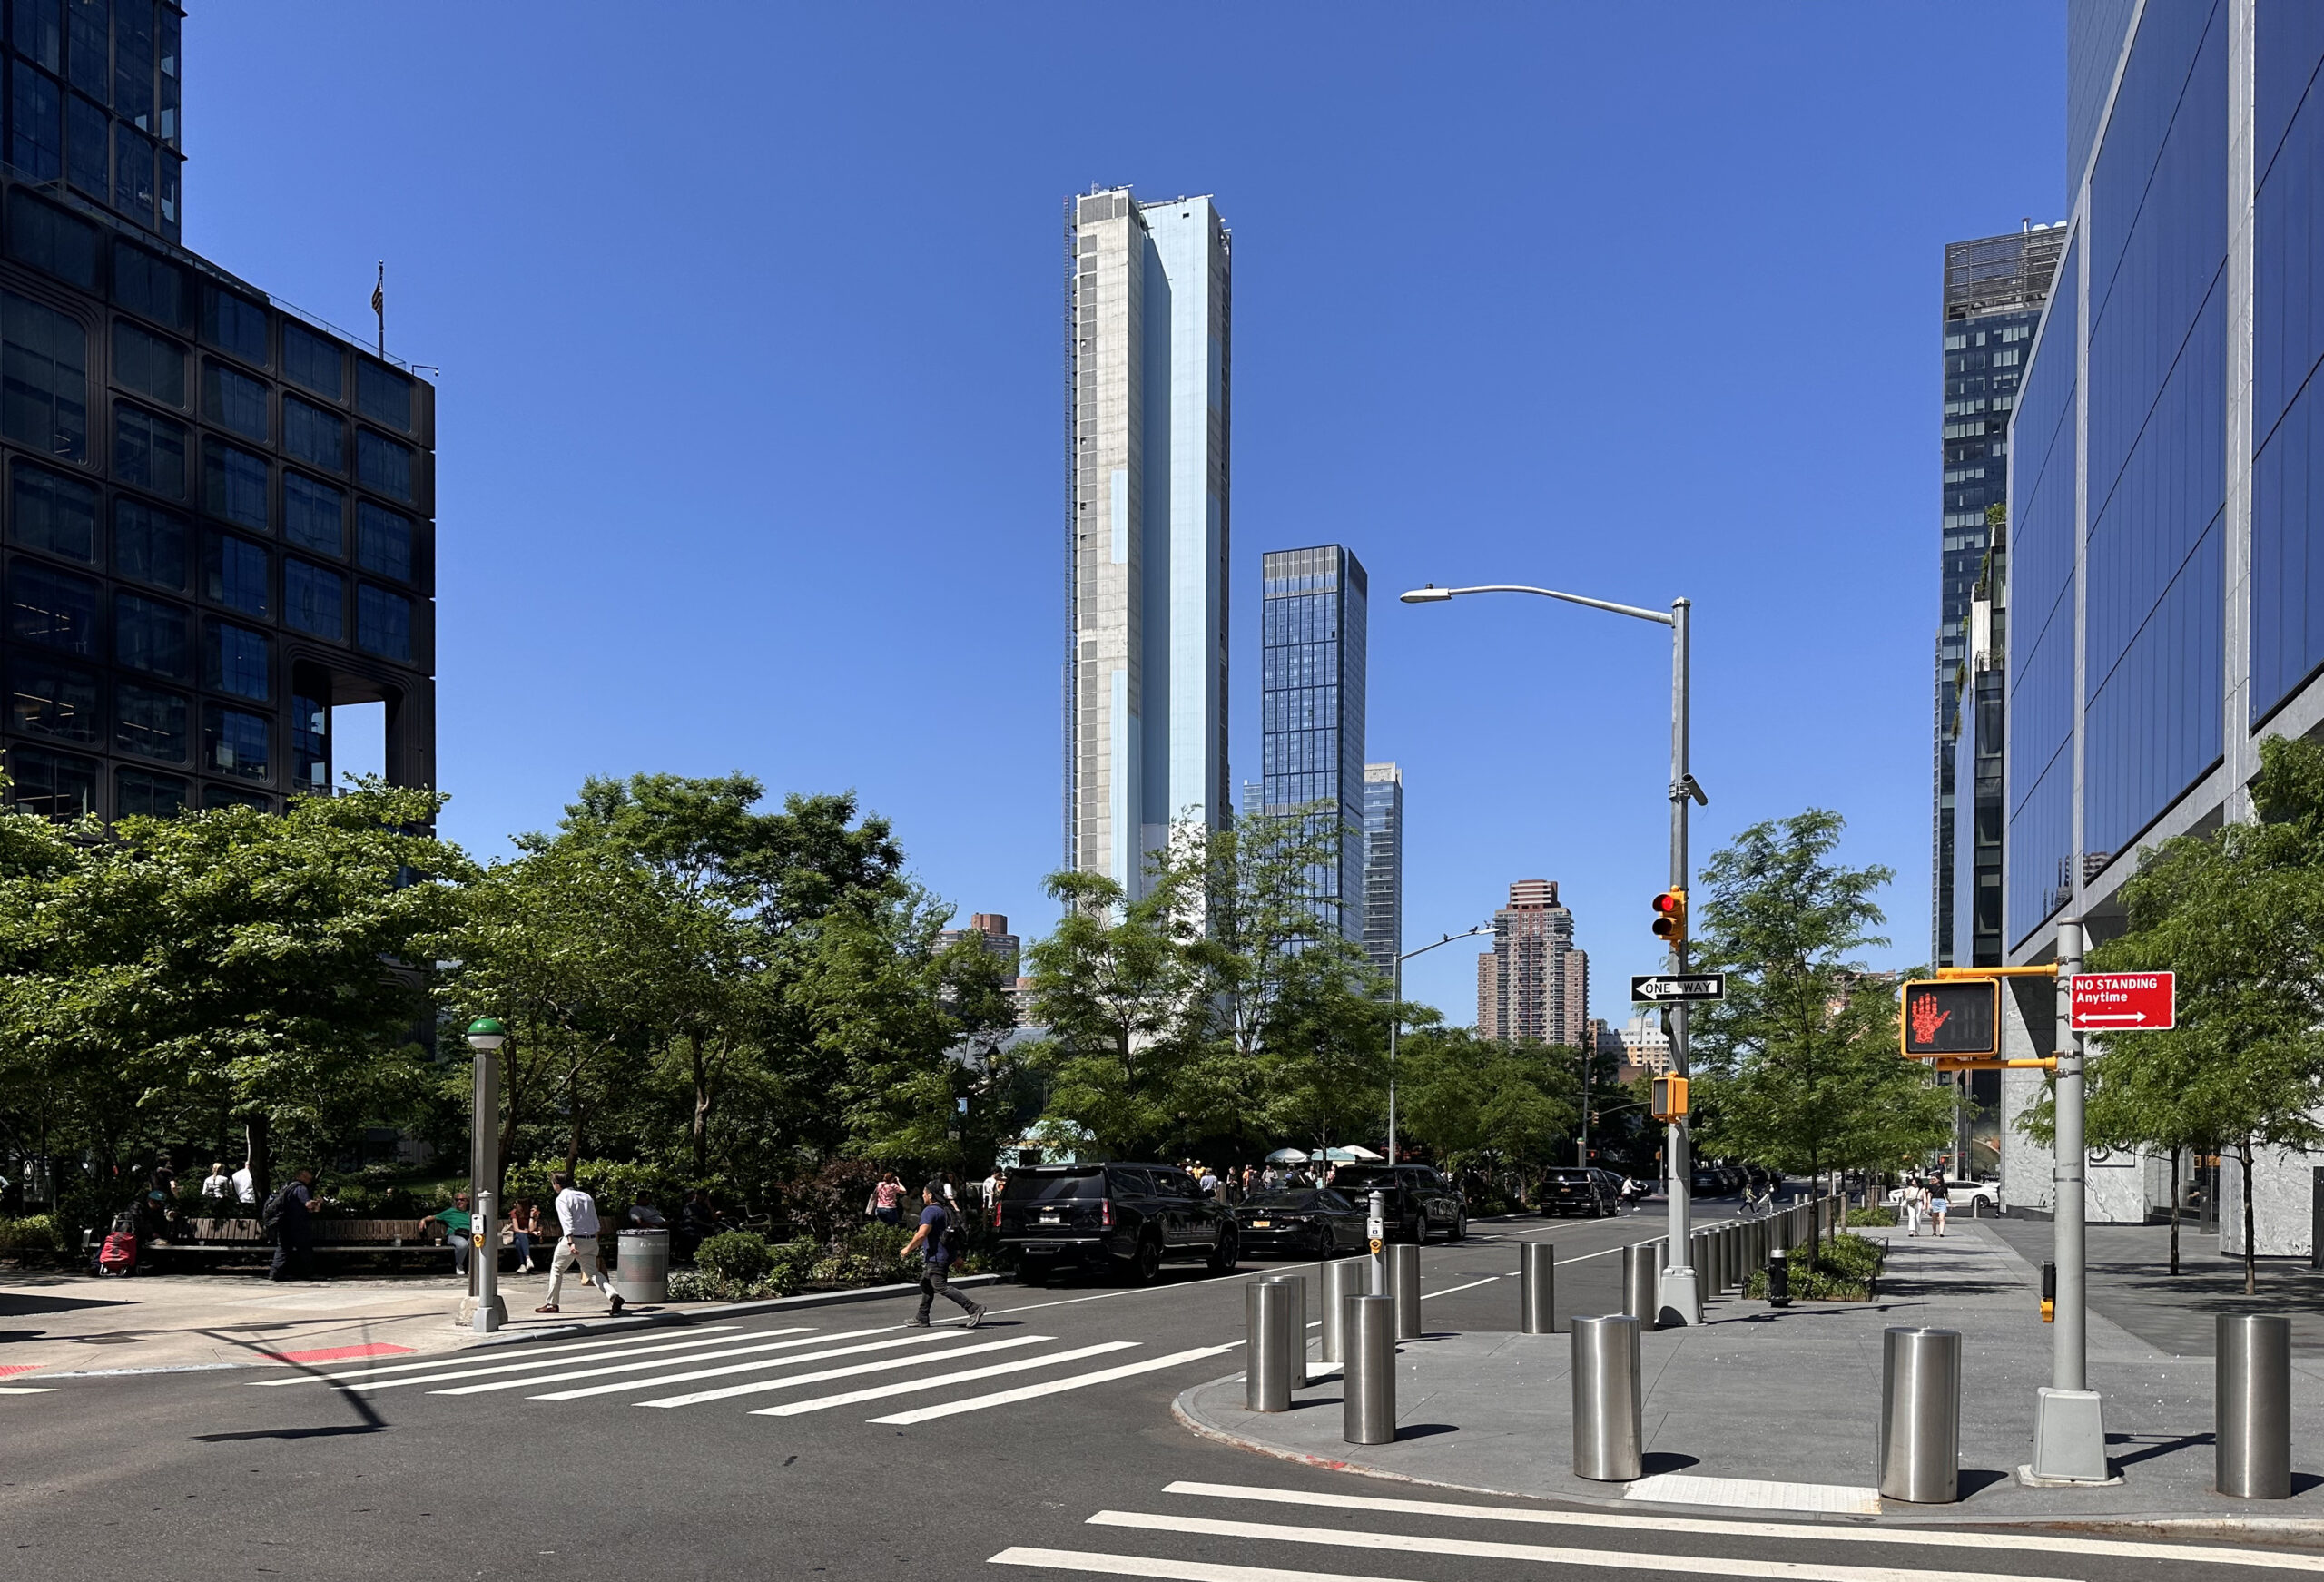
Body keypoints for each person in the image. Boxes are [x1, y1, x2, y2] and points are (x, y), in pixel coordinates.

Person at [899, 1180, 984, 1330]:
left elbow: (921, 1234)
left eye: (925, 1193)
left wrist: (907, 1249)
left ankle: (973, 1308)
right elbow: (950, 1235)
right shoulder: (946, 1210)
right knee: (926, 1283)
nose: (923, 1196)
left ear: (930, 1195)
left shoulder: (930, 1211)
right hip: (944, 1254)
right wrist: (956, 1256)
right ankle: (922, 1316)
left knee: (940, 1286)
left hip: (936, 1256)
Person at [539, 1172, 623, 1316]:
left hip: (574, 1240)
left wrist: (571, 1243)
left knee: (557, 1269)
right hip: (591, 1240)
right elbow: (596, 1222)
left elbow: (567, 1222)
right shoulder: (586, 1196)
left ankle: (551, 1303)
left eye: (553, 1183)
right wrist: (594, 1241)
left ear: (557, 1184)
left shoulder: (562, 1198)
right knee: (593, 1272)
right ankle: (613, 1295)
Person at [267, 1168, 317, 1282]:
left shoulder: (286, 1186)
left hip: (283, 1221)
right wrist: (317, 1203)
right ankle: (306, 1273)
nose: (310, 1179)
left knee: (283, 1248)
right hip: (297, 1224)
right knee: (304, 1247)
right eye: (308, 1176)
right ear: (302, 1176)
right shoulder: (301, 1188)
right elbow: (308, 1204)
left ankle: (275, 1273)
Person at [425, 1191, 474, 1276]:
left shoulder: (471, 1212)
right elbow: (434, 1217)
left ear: (467, 1201)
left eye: (462, 1199)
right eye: (457, 1200)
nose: (459, 1201)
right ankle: (459, 1266)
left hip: (469, 1234)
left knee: (475, 1244)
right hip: (455, 1235)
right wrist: (423, 1220)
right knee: (462, 1244)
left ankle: (472, 1267)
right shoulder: (450, 1212)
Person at [508, 1196, 542, 1273]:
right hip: (521, 1235)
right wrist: (528, 1232)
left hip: (532, 1237)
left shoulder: (534, 1212)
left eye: (517, 1203)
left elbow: (531, 1229)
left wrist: (531, 1216)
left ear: (523, 1205)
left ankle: (522, 1265)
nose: (514, 1205)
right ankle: (528, 1259)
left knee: (518, 1240)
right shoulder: (514, 1213)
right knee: (519, 1237)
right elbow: (516, 1229)